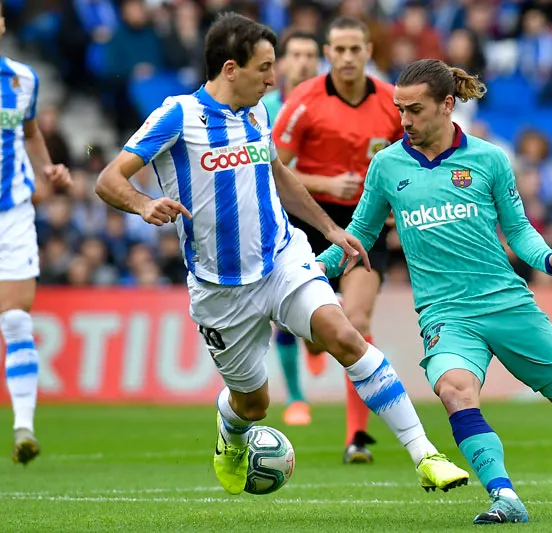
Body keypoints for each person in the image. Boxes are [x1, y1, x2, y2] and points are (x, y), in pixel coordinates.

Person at [94, 13, 469, 497]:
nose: (274, 79)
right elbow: (108, 179)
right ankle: (229, 436)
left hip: (282, 260)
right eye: (265, 68)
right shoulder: (178, 115)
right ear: (231, 69)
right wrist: (145, 204)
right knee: (253, 405)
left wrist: (331, 227)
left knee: (346, 337)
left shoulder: (257, 112)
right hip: (219, 288)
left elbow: (279, 174)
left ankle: (426, 456)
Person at [317, 59, 552, 524]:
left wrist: (547, 259)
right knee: (455, 391)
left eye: (415, 110)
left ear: (446, 105)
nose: (405, 121)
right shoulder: (386, 165)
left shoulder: (489, 159)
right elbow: (359, 235)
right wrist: (308, 270)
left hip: (506, 303)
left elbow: (518, 229)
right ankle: (505, 497)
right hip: (445, 313)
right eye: (400, 109)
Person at [271, 16, 403, 464]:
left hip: (366, 225)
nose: (347, 58)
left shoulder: (391, 102)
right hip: (310, 221)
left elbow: (413, 160)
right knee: (316, 330)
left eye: (355, 49)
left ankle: (356, 437)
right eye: (339, 50)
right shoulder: (304, 101)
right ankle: (310, 344)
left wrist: (398, 208)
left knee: (358, 320)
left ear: (368, 51)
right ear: (328, 54)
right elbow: (275, 169)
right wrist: (327, 181)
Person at [0, 0, 72, 465]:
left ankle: (24, 429)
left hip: (10, 214)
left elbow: (30, 132)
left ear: (4, 23)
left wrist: (46, 169)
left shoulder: (23, 79)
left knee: (15, 320)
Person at [261, 30, 320, 426]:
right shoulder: (264, 107)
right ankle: (297, 398)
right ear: (283, 62)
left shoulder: (326, 108)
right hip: (278, 217)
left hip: (320, 215)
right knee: (281, 313)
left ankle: (315, 344)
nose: (301, 62)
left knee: (320, 309)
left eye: (309, 55)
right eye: (295, 54)